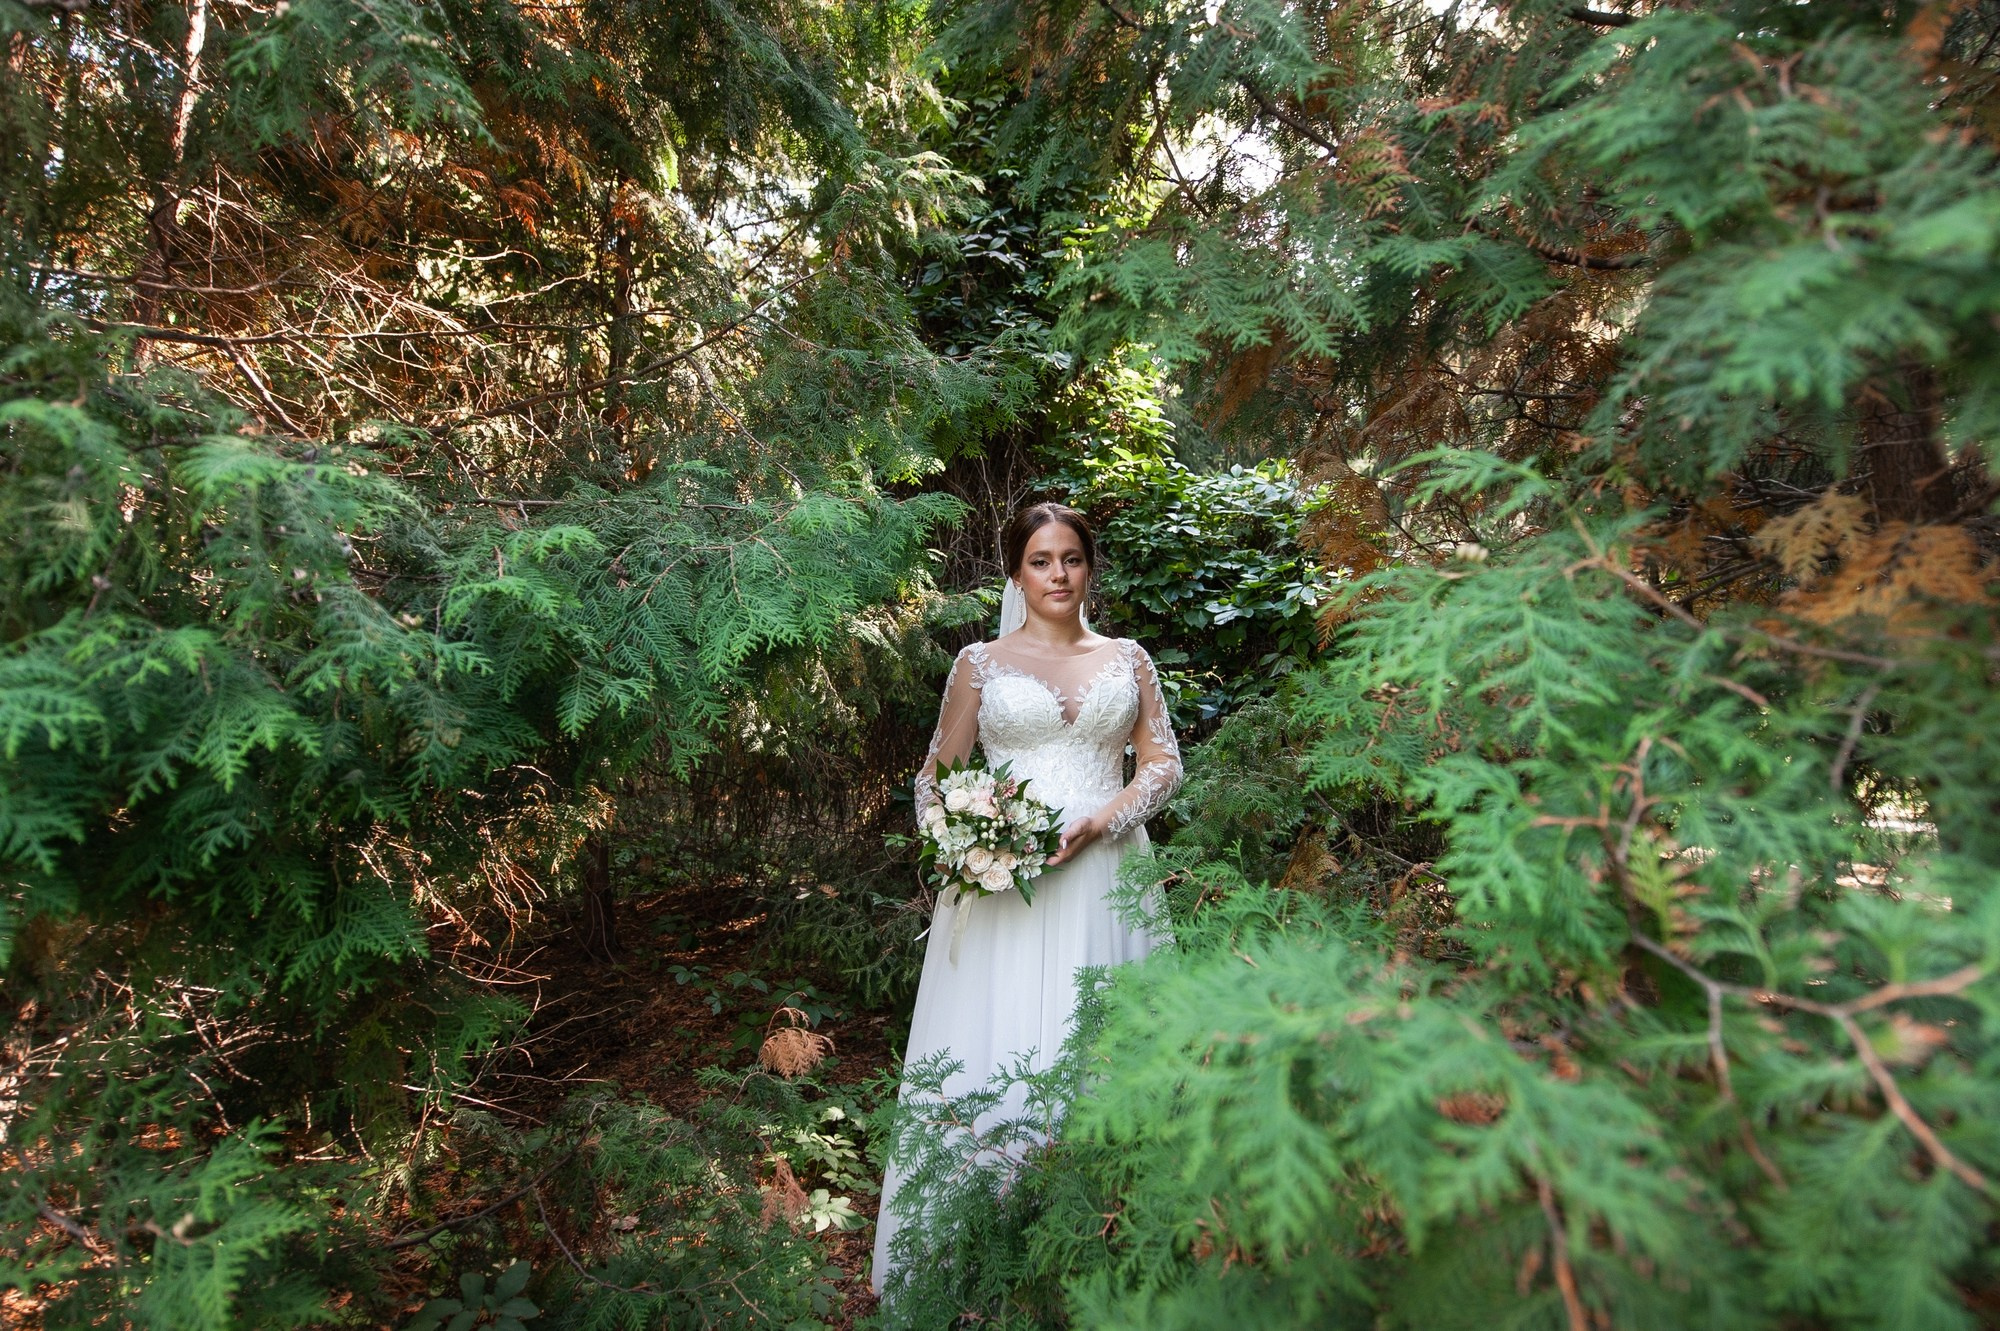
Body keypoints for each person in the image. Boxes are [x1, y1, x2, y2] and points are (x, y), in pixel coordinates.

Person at [870, 501, 1182, 1293]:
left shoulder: (1129, 659)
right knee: (1004, 1042)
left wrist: (1104, 817)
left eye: (1071, 558)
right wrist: (967, 843)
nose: (1058, 574)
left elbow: (1162, 763)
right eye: (1041, 560)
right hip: (1008, 889)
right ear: (1016, 571)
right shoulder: (979, 663)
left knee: (1102, 1038)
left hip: (1109, 876)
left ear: (1089, 567)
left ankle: (1108, 1243)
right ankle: (985, 1251)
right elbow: (934, 778)